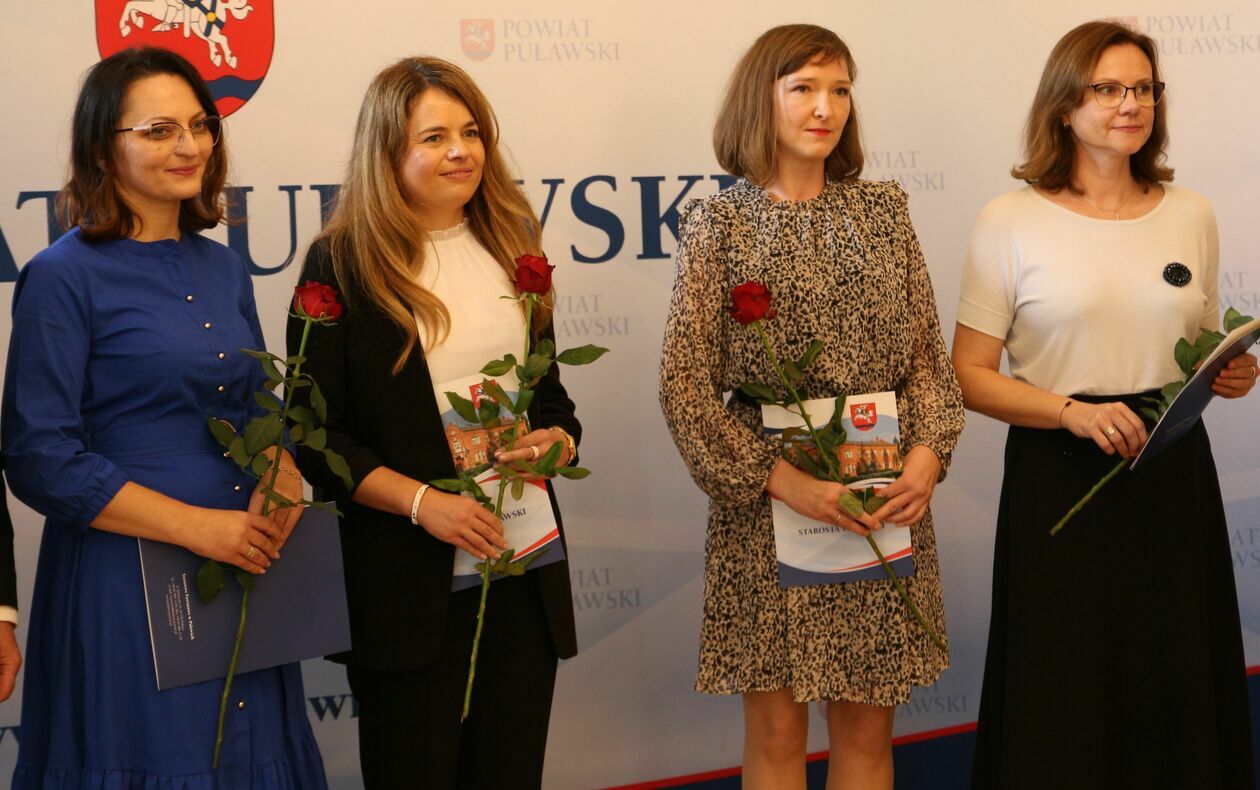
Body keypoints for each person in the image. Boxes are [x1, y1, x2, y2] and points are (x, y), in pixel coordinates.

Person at [0, 47, 327, 787]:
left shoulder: (224, 267)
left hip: (244, 563)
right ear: (102, 148)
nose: (189, 145)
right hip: (125, 580)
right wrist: (193, 527)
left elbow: (258, 402)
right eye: (158, 130)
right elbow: (39, 458)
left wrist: (281, 466)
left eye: (199, 125)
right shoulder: (60, 276)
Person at [952, 20, 1257, 789]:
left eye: (1144, 88)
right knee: (1065, 690)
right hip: (1059, 477)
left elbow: (1201, 345)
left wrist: (1230, 372)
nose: (1131, 104)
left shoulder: (1191, 212)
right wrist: (1072, 413)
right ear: (1064, 105)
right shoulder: (1009, 219)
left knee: (1174, 681)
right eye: (1109, 88)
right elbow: (969, 376)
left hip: (1172, 475)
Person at [658, 24, 964, 789]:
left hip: (881, 495)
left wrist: (928, 456)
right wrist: (784, 482)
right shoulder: (717, 224)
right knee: (776, 733)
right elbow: (685, 386)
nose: (825, 108)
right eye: (803, 88)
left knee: (866, 729)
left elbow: (928, 362)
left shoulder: (884, 213)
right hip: (768, 507)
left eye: (840, 90)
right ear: (760, 99)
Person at [289, 56, 582, 789]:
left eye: (471, 132)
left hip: (519, 569)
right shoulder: (341, 264)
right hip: (406, 589)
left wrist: (557, 442)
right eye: (435, 137)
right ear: (387, 151)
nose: (461, 151)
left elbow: (551, 399)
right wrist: (425, 504)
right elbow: (316, 437)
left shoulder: (514, 244)